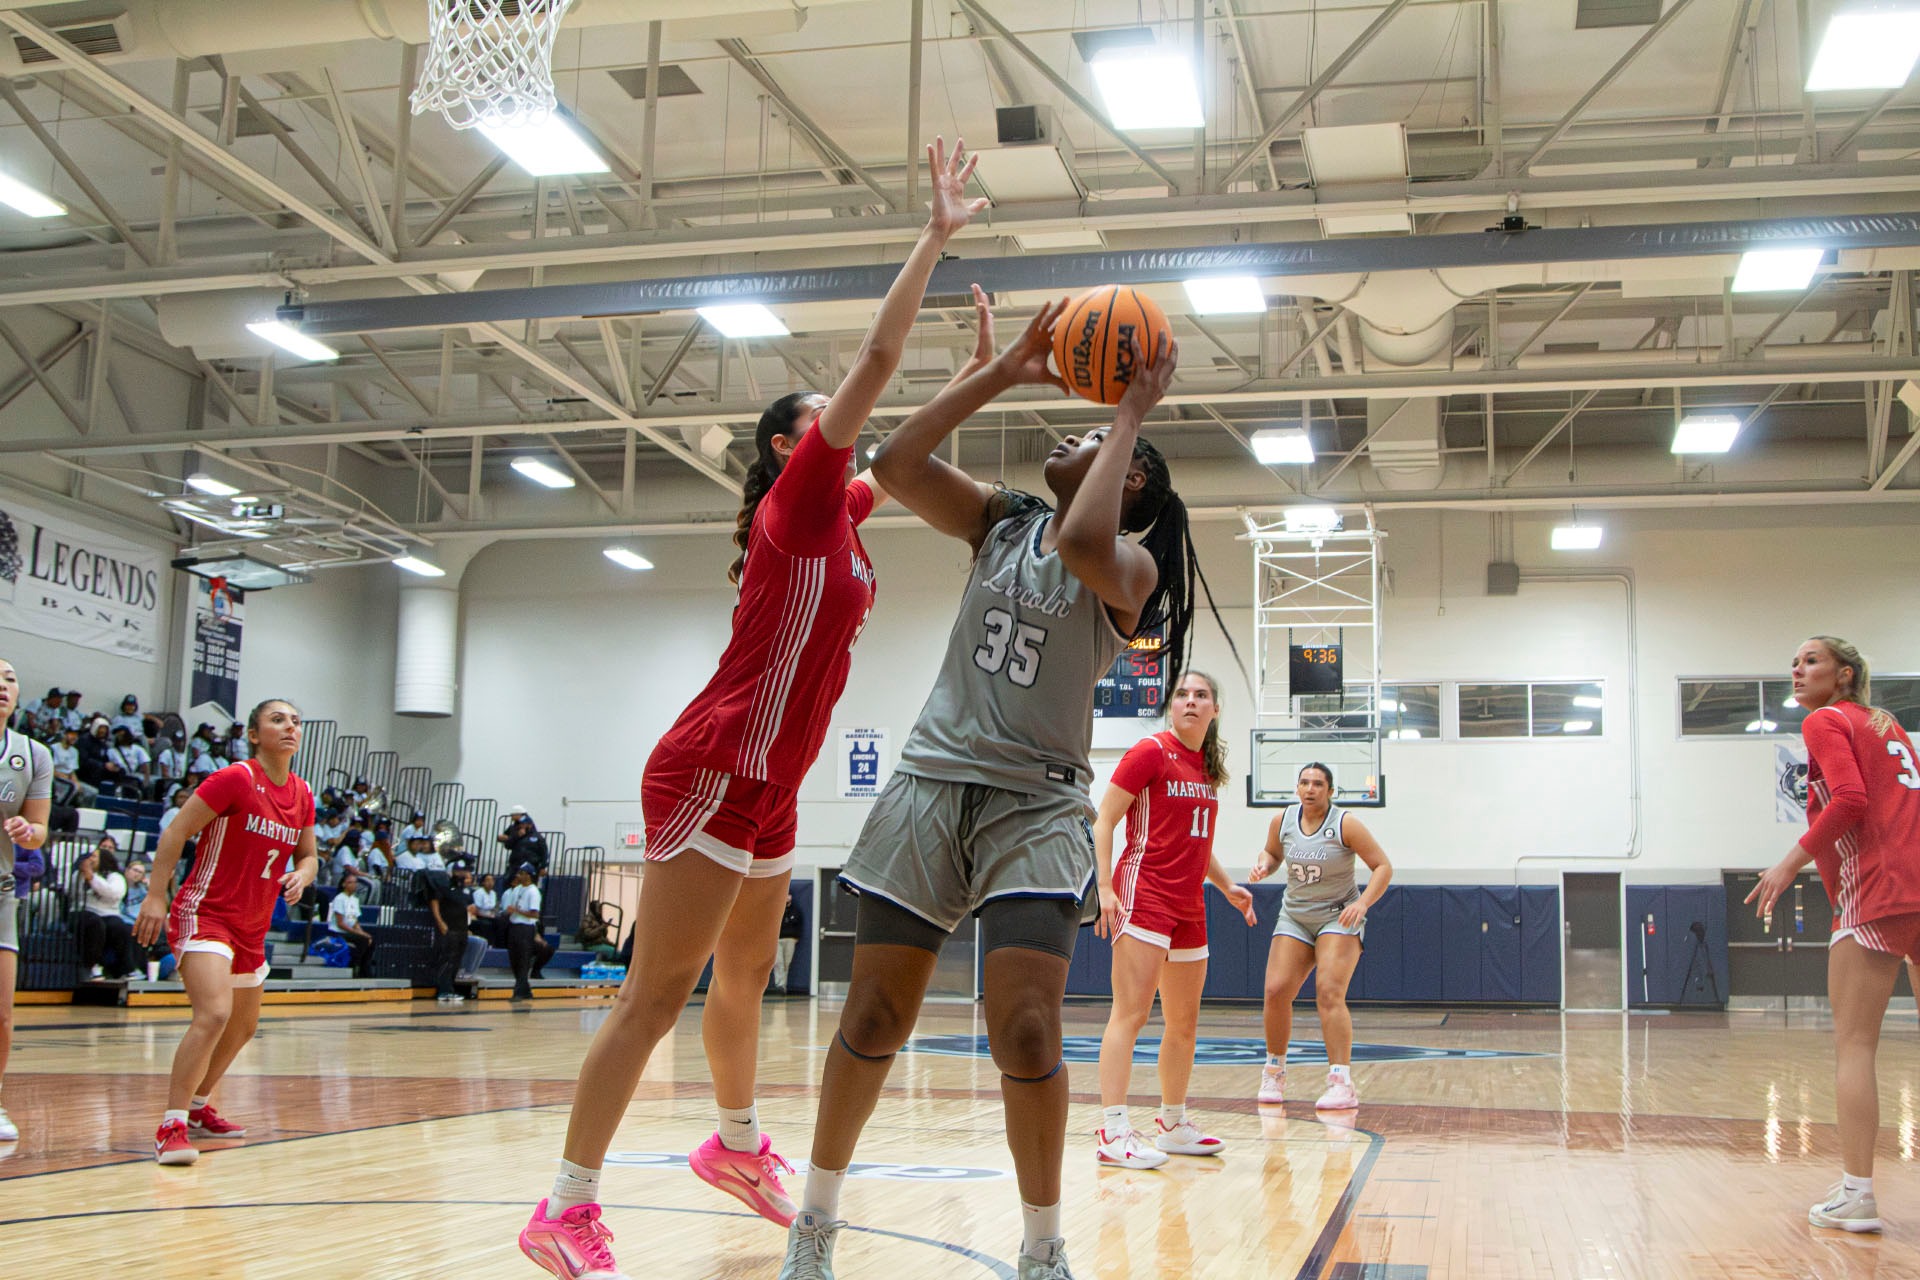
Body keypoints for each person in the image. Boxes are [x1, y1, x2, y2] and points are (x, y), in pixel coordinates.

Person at [515, 138, 990, 1280]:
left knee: (743, 980)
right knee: (655, 996)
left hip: (772, 783)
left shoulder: (843, 516)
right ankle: (563, 1207)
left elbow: (911, 446)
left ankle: (732, 1146)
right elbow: (879, 358)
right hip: (714, 766)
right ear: (790, 445)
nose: (845, 420)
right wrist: (932, 237)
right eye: (823, 416)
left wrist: (999, 370)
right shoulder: (802, 498)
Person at [777, 303, 1195, 1280]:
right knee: (873, 1016)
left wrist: (1130, 411)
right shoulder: (1002, 520)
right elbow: (897, 460)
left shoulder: (1131, 568)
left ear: (1130, 476)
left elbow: (1084, 541)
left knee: (1027, 1027)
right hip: (932, 779)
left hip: (1036, 805)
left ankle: (1044, 1245)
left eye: (1092, 438)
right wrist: (1000, 370)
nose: (1071, 436)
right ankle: (816, 1220)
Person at [1747, 636, 1920, 1233]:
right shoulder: (1887, 724)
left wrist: (1787, 864)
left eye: (1811, 660)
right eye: (1793, 663)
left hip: (1878, 890)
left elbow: (1849, 800)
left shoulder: (1826, 720)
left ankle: (1858, 1194)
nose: (1797, 670)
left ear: (1844, 675)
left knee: (1856, 1046)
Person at [134, 698, 317, 1166]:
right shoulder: (235, 778)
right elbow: (175, 833)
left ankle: (198, 1106)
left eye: (295, 721)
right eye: (277, 719)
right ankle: (171, 1125)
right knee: (214, 1014)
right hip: (206, 912)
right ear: (254, 735)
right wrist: (155, 896)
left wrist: (303, 875)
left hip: (252, 925)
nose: (290, 726)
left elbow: (308, 855)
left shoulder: (302, 793)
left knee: (242, 1027)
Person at [1091, 671, 1255, 1170]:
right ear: (1171, 706)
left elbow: (1195, 841)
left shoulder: (1206, 768)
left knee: (1184, 1022)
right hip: (1144, 893)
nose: (1190, 701)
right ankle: (1112, 1129)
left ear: (1214, 710)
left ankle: (1173, 1122)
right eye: (1182, 694)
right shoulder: (1150, 752)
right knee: (1131, 1014)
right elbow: (1104, 820)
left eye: (1201, 695)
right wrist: (1104, 888)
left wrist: (1226, 886)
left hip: (1190, 904)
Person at [1252, 762, 1394, 1112]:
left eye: (1318, 784)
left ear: (1330, 791)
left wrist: (1363, 903)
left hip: (1337, 914)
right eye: (1304, 782)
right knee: (1275, 991)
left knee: (1329, 991)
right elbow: (1272, 853)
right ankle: (1274, 1070)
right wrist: (1264, 865)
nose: (1310, 789)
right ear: (1297, 788)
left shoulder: (1345, 823)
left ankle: (1341, 1081)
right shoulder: (1282, 820)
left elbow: (1383, 866)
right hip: (1296, 916)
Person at [0, 658, 52, 1142]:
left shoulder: (33, 754)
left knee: (1, 1011)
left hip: (0, 893)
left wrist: (26, 830)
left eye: (11, 678)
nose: (3, 685)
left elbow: (39, 831)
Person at [76, 843, 134, 979]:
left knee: (119, 927)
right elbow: (72, 891)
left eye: (94, 856)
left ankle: (126, 969)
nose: (91, 859)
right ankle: (92, 966)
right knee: (95, 924)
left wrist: (92, 878)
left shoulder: (116, 877)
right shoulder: (79, 874)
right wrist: (83, 875)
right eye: (90, 856)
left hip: (108, 912)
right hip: (84, 911)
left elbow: (113, 893)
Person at [500, 864, 550, 1001]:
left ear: (528, 875)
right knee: (514, 959)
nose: (518, 875)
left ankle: (519, 992)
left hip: (525, 929)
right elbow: (509, 908)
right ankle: (526, 990)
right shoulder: (517, 889)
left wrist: (517, 911)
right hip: (514, 926)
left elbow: (535, 914)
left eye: (521, 873)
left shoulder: (533, 892)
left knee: (523, 959)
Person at [427, 863, 473, 1004]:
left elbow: (466, 908)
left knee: (456, 960)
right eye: (458, 871)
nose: (462, 874)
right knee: (447, 959)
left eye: (464, 871)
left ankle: (450, 989)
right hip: (449, 929)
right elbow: (434, 902)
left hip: (462, 930)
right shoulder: (443, 886)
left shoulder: (464, 890)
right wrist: (440, 922)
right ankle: (443, 990)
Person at [327, 871, 377, 979]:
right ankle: (354, 965)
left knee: (370, 940)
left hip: (350, 931)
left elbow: (355, 921)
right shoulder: (339, 898)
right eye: (350, 882)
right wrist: (359, 934)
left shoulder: (355, 900)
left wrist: (362, 933)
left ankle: (365, 968)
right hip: (339, 931)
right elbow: (340, 923)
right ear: (344, 884)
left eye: (355, 882)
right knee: (362, 941)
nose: (354, 885)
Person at [772, 890, 804, 995]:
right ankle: (779, 985)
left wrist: (796, 937)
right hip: (778, 940)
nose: (787, 897)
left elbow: (799, 925)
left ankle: (783, 986)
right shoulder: (777, 909)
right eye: (785, 895)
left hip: (790, 939)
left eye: (788, 895)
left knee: (787, 963)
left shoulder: (796, 911)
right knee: (778, 962)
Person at [470, 871, 501, 946]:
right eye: (488, 880)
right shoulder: (478, 893)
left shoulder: (493, 893)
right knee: (486, 925)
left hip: (489, 916)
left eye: (492, 880)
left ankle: (493, 944)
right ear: (483, 882)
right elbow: (475, 909)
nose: (490, 883)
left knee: (499, 922)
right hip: (479, 916)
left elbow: (493, 908)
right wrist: (487, 915)